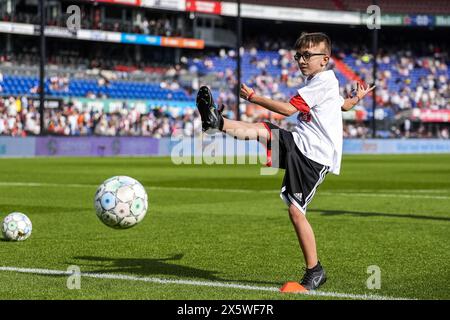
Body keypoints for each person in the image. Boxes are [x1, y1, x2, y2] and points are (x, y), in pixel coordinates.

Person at [195, 32, 375, 290]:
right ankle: (216, 122)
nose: (301, 60)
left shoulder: (322, 82)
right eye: (298, 55)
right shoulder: (324, 82)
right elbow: (343, 106)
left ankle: (315, 271)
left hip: (314, 156)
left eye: (307, 55)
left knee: (295, 211)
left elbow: (289, 110)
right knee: (262, 131)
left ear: (324, 59)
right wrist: (357, 98)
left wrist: (255, 98)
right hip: (300, 144)